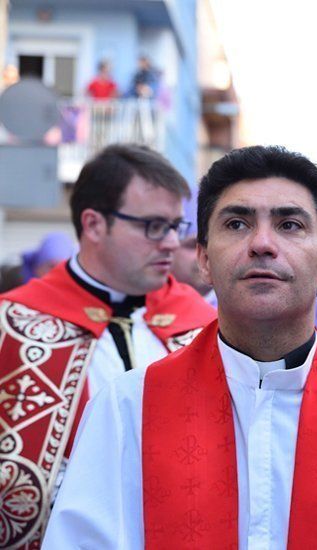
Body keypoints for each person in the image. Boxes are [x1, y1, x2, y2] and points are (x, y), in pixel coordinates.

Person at [44, 145, 317, 549]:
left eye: (289, 225)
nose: (262, 243)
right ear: (205, 260)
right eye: (236, 224)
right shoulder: (127, 409)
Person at [0, 144, 216, 549]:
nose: (171, 243)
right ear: (94, 224)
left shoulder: (205, 327)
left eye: (176, 226)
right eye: (153, 225)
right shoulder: (12, 326)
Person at [171, 192, 216, 306]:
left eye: (213, 244)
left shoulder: (246, 310)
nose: (206, 254)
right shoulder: (141, 313)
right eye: (193, 246)